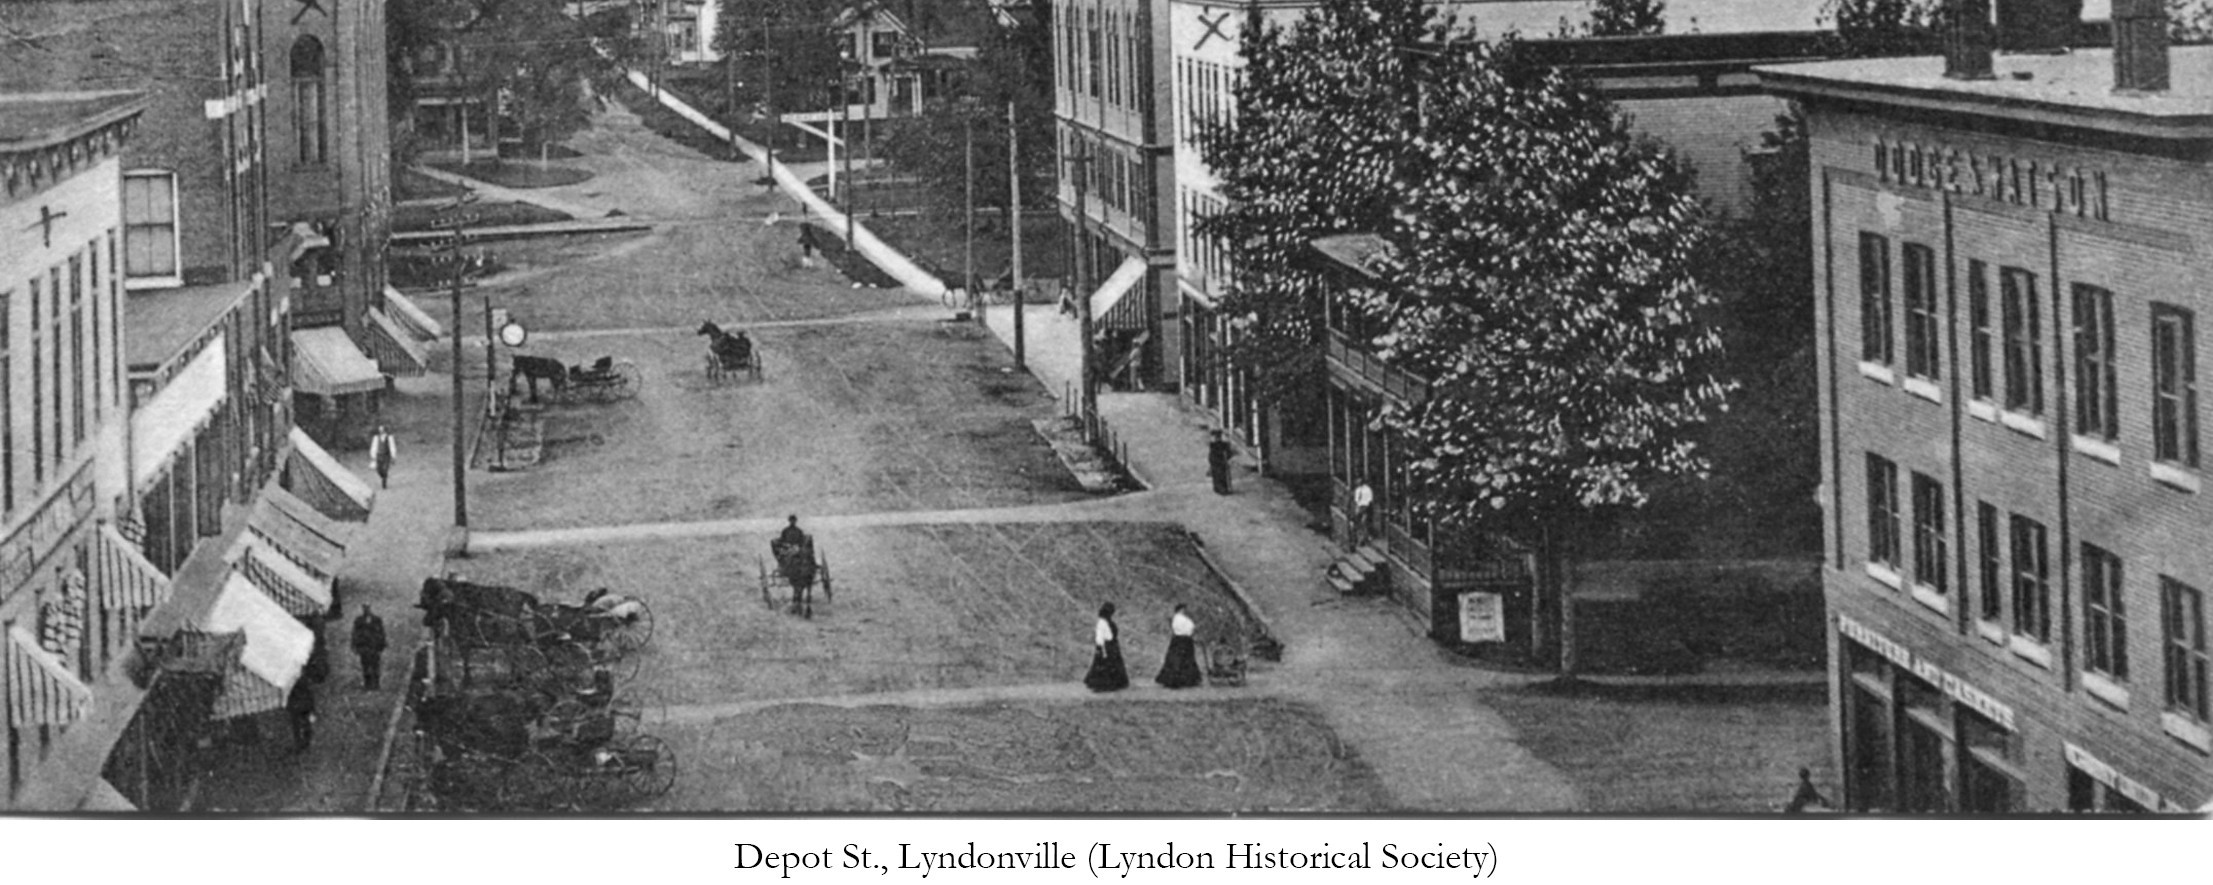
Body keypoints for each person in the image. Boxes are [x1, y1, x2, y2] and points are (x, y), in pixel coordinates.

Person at [1083, 602, 1130, 692]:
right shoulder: (1102, 622)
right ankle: (1103, 683)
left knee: (1113, 664)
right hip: (1107, 646)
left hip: (1112, 646)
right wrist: (1100, 648)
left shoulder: (1108, 622)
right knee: (1106, 664)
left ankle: (1115, 682)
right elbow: (1100, 637)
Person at [1154, 604, 1202, 689]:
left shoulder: (1183, 618)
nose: (1185, 611)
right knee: (1178, 659)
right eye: (1183, 609)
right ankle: (1175, 679)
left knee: (1186, 659)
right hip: (1181, 640)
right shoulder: (1178, 618)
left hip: (1184, 640)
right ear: (1180, 610)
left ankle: (1186, 679)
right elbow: (1185, 629)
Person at [351, 605, 388, 691]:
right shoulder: (359, 620)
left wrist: (382, 644)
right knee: (365, 666)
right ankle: (367, 684)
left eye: (368, 607)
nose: (366, 609)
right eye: (364, 608)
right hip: (364, 646)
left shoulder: (376, 620)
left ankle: (376, 684)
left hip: (374, 646)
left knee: (375, 665)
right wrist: (355, 645)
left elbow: (381, 632)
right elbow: (355, 633)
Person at [285, 682, 317, 753]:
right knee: (304, 725)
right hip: (303, 706)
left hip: (298, 707)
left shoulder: (292, 684)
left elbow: (289, 696)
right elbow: (310, 695)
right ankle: (304, 743)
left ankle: (301, 744)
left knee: (298, 726)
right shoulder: (303, 683)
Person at [1207, 430, 1235, 495]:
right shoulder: (1213, 445)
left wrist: (1227, 456)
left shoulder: (1223, 445)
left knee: (1222, 475)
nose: (1217, 439)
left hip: (1221, 462)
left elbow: (1229, 453)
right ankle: (1219, 488)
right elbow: (1211, 455)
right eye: (1216, 437)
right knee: (1217, 475)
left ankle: (1222, 488)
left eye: (1218, 437)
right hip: (1216, 462)